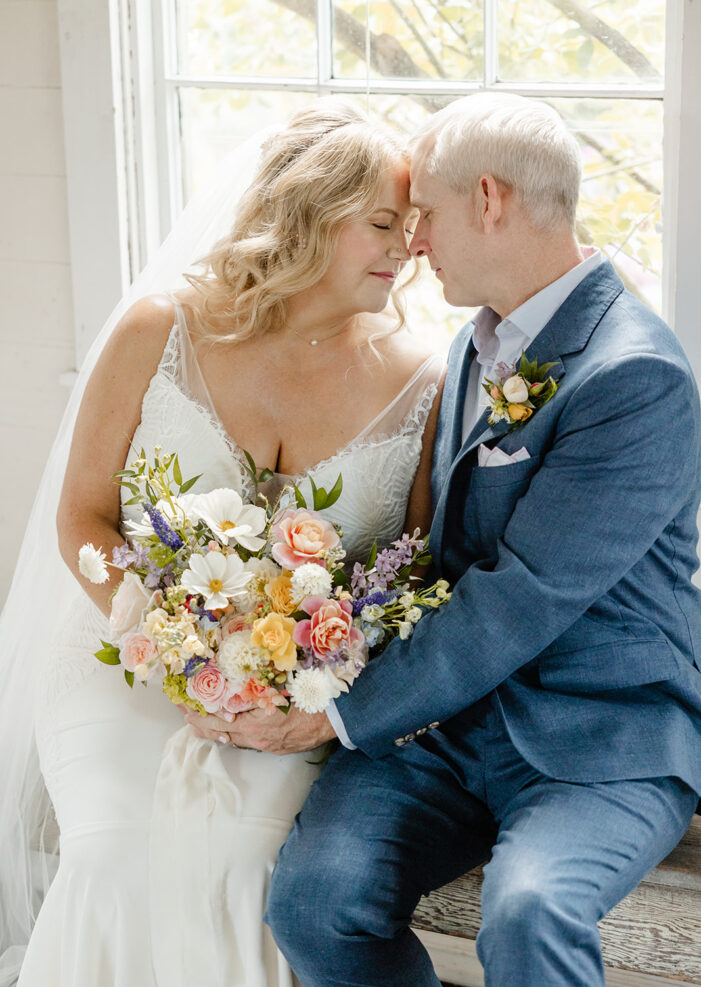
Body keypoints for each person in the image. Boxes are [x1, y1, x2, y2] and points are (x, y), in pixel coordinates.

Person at [204, 93, 701, 987]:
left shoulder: (636, 376)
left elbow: (521, 592)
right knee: (313, 903)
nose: (414, 241)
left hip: (599, 737)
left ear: (488, 199)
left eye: (422, 213)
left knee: (528, 911)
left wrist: (335, 713)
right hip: (451, 729)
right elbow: (434, 546)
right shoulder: (479, 339)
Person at [0, 100, 444, 987]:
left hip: (297, 691)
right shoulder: (159, 329)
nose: (409, 248)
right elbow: (81, 518)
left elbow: (415, 564)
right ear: (310, 217)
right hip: (116, 653)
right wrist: (171, 643)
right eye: (384, 224)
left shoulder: (424, 378)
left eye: (415, 226)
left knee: (247, 866)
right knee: (114, 850)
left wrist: (293, 677)